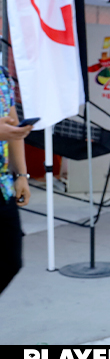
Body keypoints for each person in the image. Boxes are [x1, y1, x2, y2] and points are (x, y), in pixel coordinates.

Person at [0, 65, 32, 295]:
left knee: (10, 261)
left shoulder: (2, 75)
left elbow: (12, 124)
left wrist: (21, 175)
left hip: (3, 186)